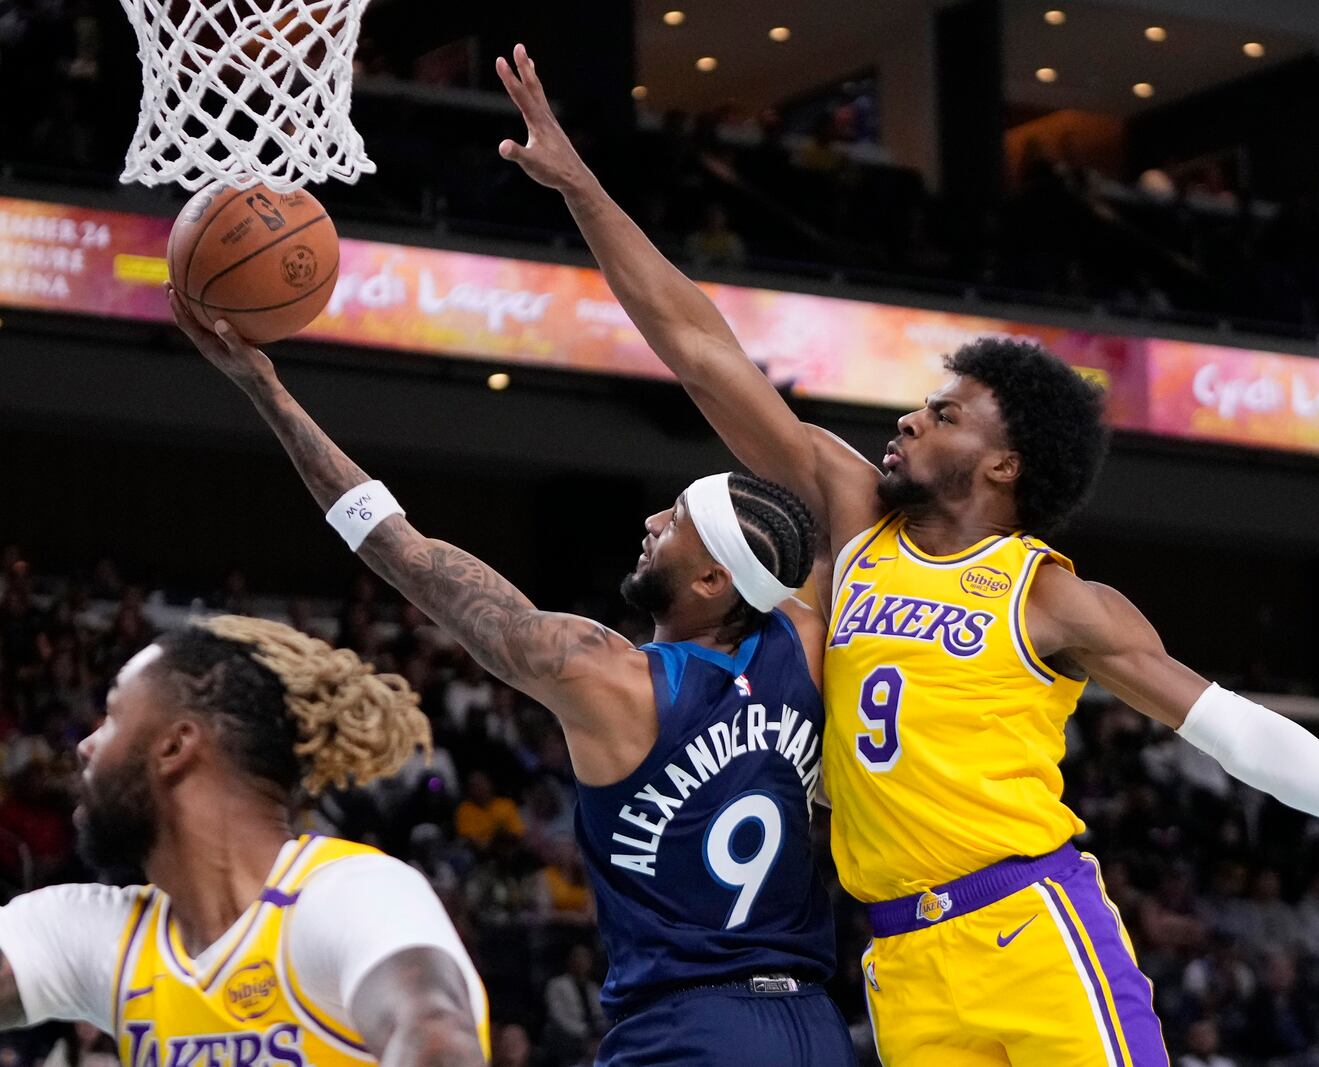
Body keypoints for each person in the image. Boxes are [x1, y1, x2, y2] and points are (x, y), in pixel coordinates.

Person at [491, 41, 1319, 1066]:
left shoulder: (1051, 599)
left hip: (1030, 928)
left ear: (1002, 466)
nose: (906, 421)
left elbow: (1234, 731)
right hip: (898, 956)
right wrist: (580, 185)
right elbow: (700, 347)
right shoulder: (856, 517)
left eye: (941, 413)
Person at [168, 291, 853, 1067]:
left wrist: (268, 390)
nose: (651, 521)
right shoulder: (806, 640)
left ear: (711, 581)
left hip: (687, 1027)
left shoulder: (606, 676)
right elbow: (842, 505)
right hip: (814, 1025)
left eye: (678, 521)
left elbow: (402, 551)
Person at [0, 614, 491, 1067]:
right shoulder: (101, 934)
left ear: (174, 746)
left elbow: (438, 1042)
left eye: (111, 717)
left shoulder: (348, 893)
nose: (85, 747)